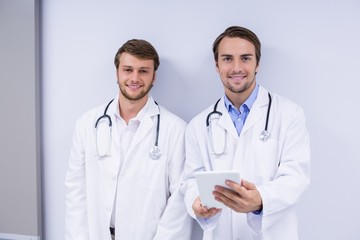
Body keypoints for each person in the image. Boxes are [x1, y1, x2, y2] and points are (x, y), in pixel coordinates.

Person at [181, 26, 311, 240]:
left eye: (245, 58)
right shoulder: (198, 125)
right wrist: (196, 202)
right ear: (217, 65)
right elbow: (190, 181)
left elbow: (296, 177)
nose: (237, 67)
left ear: (257, 63)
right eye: (227, 59)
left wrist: (261, 199)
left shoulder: (289, 114)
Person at [65, 39, 192, 240]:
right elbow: (76, 192)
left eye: (143, 71)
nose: (135, 78)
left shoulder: (175, 130)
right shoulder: (87, 124)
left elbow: (179, 200)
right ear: (117, 73)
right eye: (128, 70)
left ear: (154, 76)